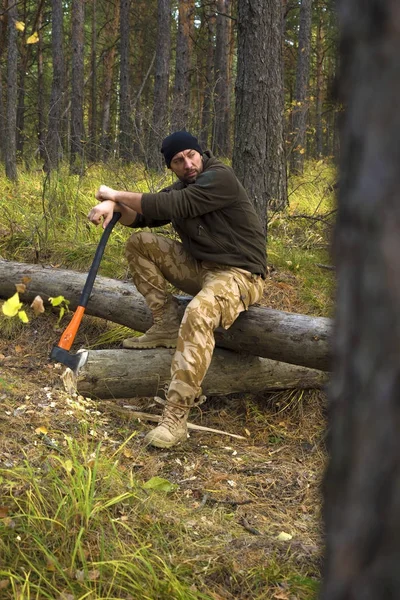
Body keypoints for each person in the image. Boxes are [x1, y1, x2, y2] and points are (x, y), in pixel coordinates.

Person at [88, 131, 267, 448]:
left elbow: (173, 204)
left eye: (191, 155)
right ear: (170, 167)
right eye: (178, 160)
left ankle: (175, 419)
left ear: (201, 153)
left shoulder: (219, 177)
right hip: (203, 269)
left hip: (241, 275)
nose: (187, 164)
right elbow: (143, 217)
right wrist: (113, 206)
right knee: (140, 244)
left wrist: (114, 192)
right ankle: (167, 322)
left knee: (199, 312)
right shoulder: (182, 186)